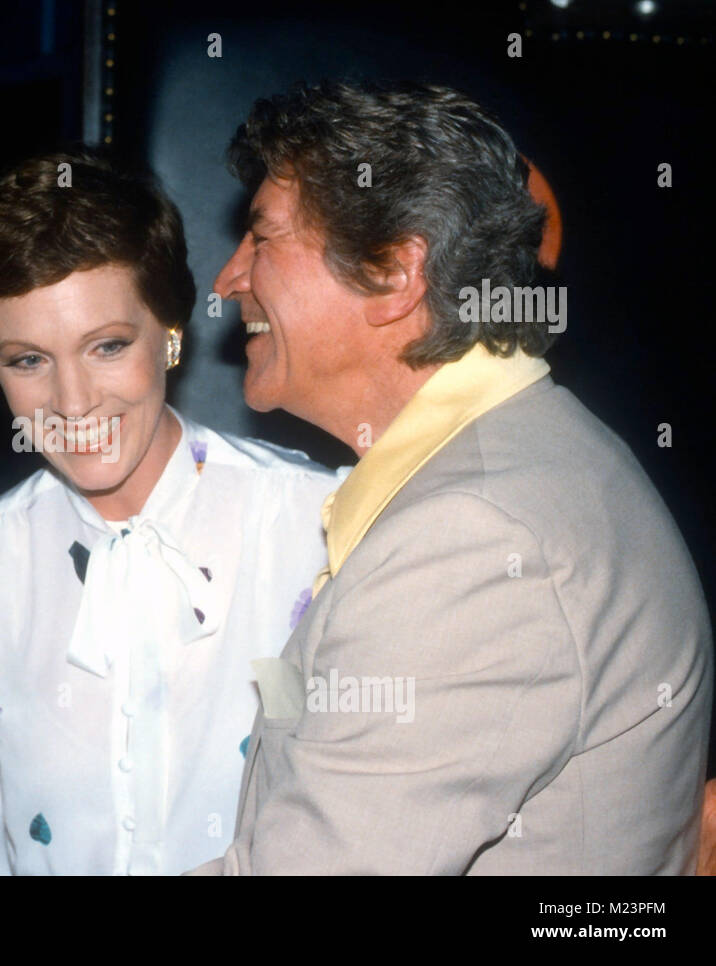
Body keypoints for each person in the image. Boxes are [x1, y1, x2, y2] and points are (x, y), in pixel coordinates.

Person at [197, 80, 712, 874]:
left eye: (262, 239)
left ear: (396, 274)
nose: (229, 279)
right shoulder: (519, 462)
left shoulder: (471, 541)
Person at [0, 151, 339, 874]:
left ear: (171, 334)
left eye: (108, 346)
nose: (74, 400)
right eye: (27, 360)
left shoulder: (313, 526)